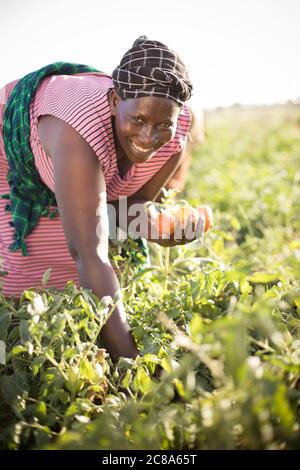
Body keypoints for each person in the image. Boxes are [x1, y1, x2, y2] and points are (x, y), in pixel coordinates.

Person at [0, 36, 204, 361]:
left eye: (162, 124)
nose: (149, 137)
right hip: (11, 142)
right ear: (113, 100)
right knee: (27, 291)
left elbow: (130, 208)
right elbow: (89, 253)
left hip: (78, 150)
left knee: (91, 287)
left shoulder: (175, 135)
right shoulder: (78, 129)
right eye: (138, 119)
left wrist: (158, 229)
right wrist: (132, 366)